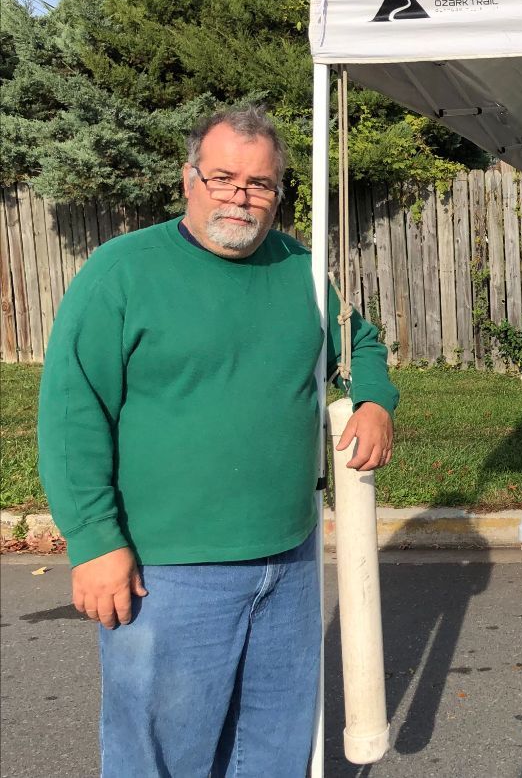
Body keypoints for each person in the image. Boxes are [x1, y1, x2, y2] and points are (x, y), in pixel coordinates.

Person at [37, 105, 399, 777]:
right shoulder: (122, 273)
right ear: (189, 179)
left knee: (273, 754)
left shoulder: (300, 270)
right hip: (166, 572)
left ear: (278, 194)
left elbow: (361, 343)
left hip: (289, 561)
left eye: (259, 183)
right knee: (161, 760)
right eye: (223, 177)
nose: (240, 196)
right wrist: (92, 540)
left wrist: (375, 400)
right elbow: (70, 412)